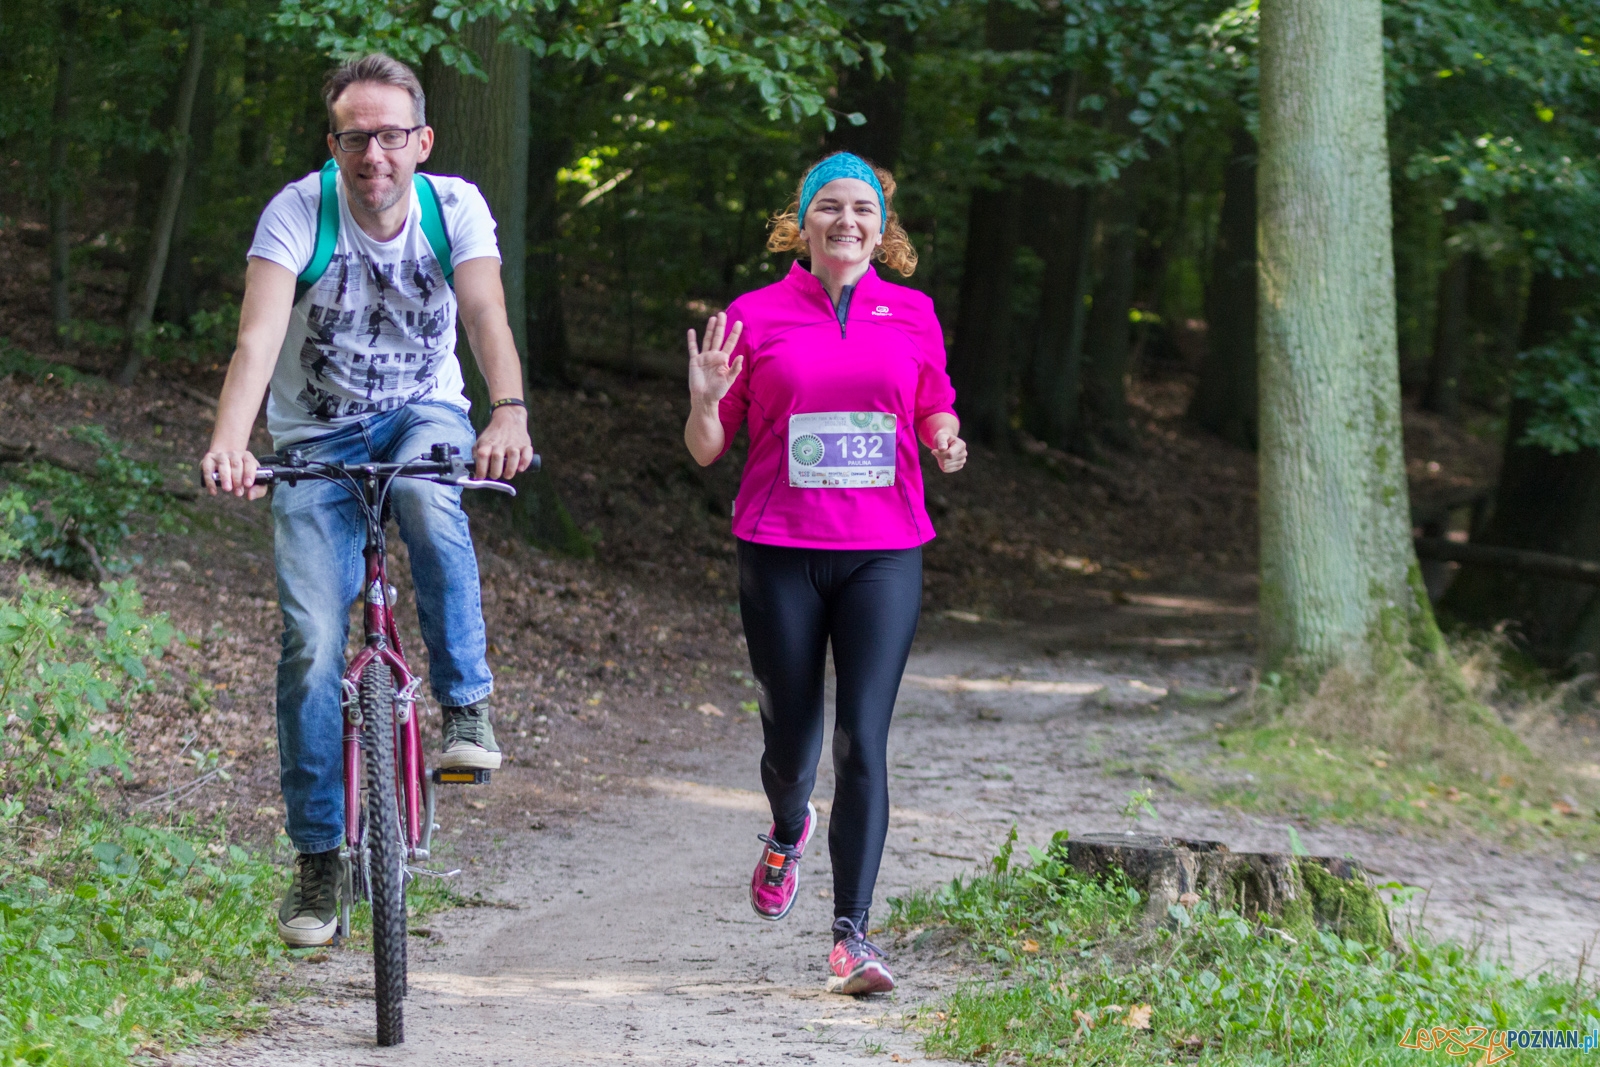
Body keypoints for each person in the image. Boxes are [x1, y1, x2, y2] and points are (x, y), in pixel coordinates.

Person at [200, 54, 535, 947]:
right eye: (357, 137)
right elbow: (257, 338)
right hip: (315, 438)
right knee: (312, 641)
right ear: (334, 145)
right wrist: (231, 442)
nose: (375, 155)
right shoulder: (298, 213)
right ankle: (318, 858)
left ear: (421, 141)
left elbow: (485, 315)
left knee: (430, 503)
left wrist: (508, 410)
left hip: (422, 415)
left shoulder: (451, 207)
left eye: (392, 136)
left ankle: (465, 707)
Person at [683, 152, 967, 994]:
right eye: (830, 208)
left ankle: (853, 935)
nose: (848, 221)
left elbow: (932, 399)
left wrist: (944, 436)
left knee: (862, 740)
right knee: (792, 743)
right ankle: (785, 825)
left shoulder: (912, 313)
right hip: (781, 552)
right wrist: (704, 401)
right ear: (801, 223)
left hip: (885, 551)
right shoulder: (753, 315)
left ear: (884, 230)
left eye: (863, 210)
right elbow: (708, 449)